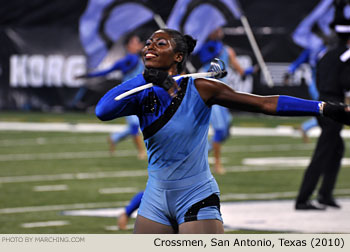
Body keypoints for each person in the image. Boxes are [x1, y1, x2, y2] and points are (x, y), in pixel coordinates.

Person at [95, 28, 350, 234]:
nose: (149, 46)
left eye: (160, 44)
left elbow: (264, 103)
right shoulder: (140, 94)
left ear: (178, 57)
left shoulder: (202, 87)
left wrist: (323, 107)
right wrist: (147, 77)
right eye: (149, 43)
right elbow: (103, 111)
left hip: (195, 195)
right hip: (153, 198)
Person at [295, 1, 350, 210]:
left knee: (336, 148)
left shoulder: (327, 54)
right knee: (324, 151)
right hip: (334, 107)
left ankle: (325, 194)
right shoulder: (345, 56)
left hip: (322, 102)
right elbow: (345, 82)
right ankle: (303, 198)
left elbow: (319, 79)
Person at [197, 27, 256, 174]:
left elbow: (241, 71)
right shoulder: (206, 48)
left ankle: (199, 154)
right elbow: (205, 57)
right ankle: (217, 165)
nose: (218, 30)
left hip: (222, 93)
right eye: (215, 28)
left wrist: (252, 70)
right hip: (209, 94)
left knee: (226, 131)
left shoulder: (227, 50)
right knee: (219, 129)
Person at [77, 34, 146, 159]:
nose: (138, 44)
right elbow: (106, 71)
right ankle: (142, 152)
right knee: (135, 125)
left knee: (137, 125)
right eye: (134, 42)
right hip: (128, 96)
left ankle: (114, 138)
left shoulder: (140, 59)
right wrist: (87, 76)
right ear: (127, 46)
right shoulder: (129, 60)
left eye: (138, 42)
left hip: (139, 96)